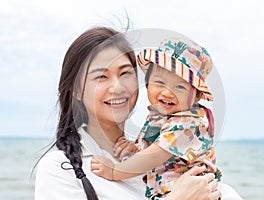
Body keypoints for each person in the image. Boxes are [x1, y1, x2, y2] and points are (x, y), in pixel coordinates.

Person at [34, 26, 227, 200]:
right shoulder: (60, 169)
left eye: (125, 73)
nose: (117, 88)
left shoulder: (193, 174)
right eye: (101, 76)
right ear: (75, 90)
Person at [90, 37, 223, 199]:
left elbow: (153, 156)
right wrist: (135, 148)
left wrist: (113, 171)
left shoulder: (188, 122)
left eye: (180, 87)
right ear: (147, 83)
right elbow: (157, 149)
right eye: (160, 82)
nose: (168, 93)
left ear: (197, 96)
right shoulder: (161, 116)